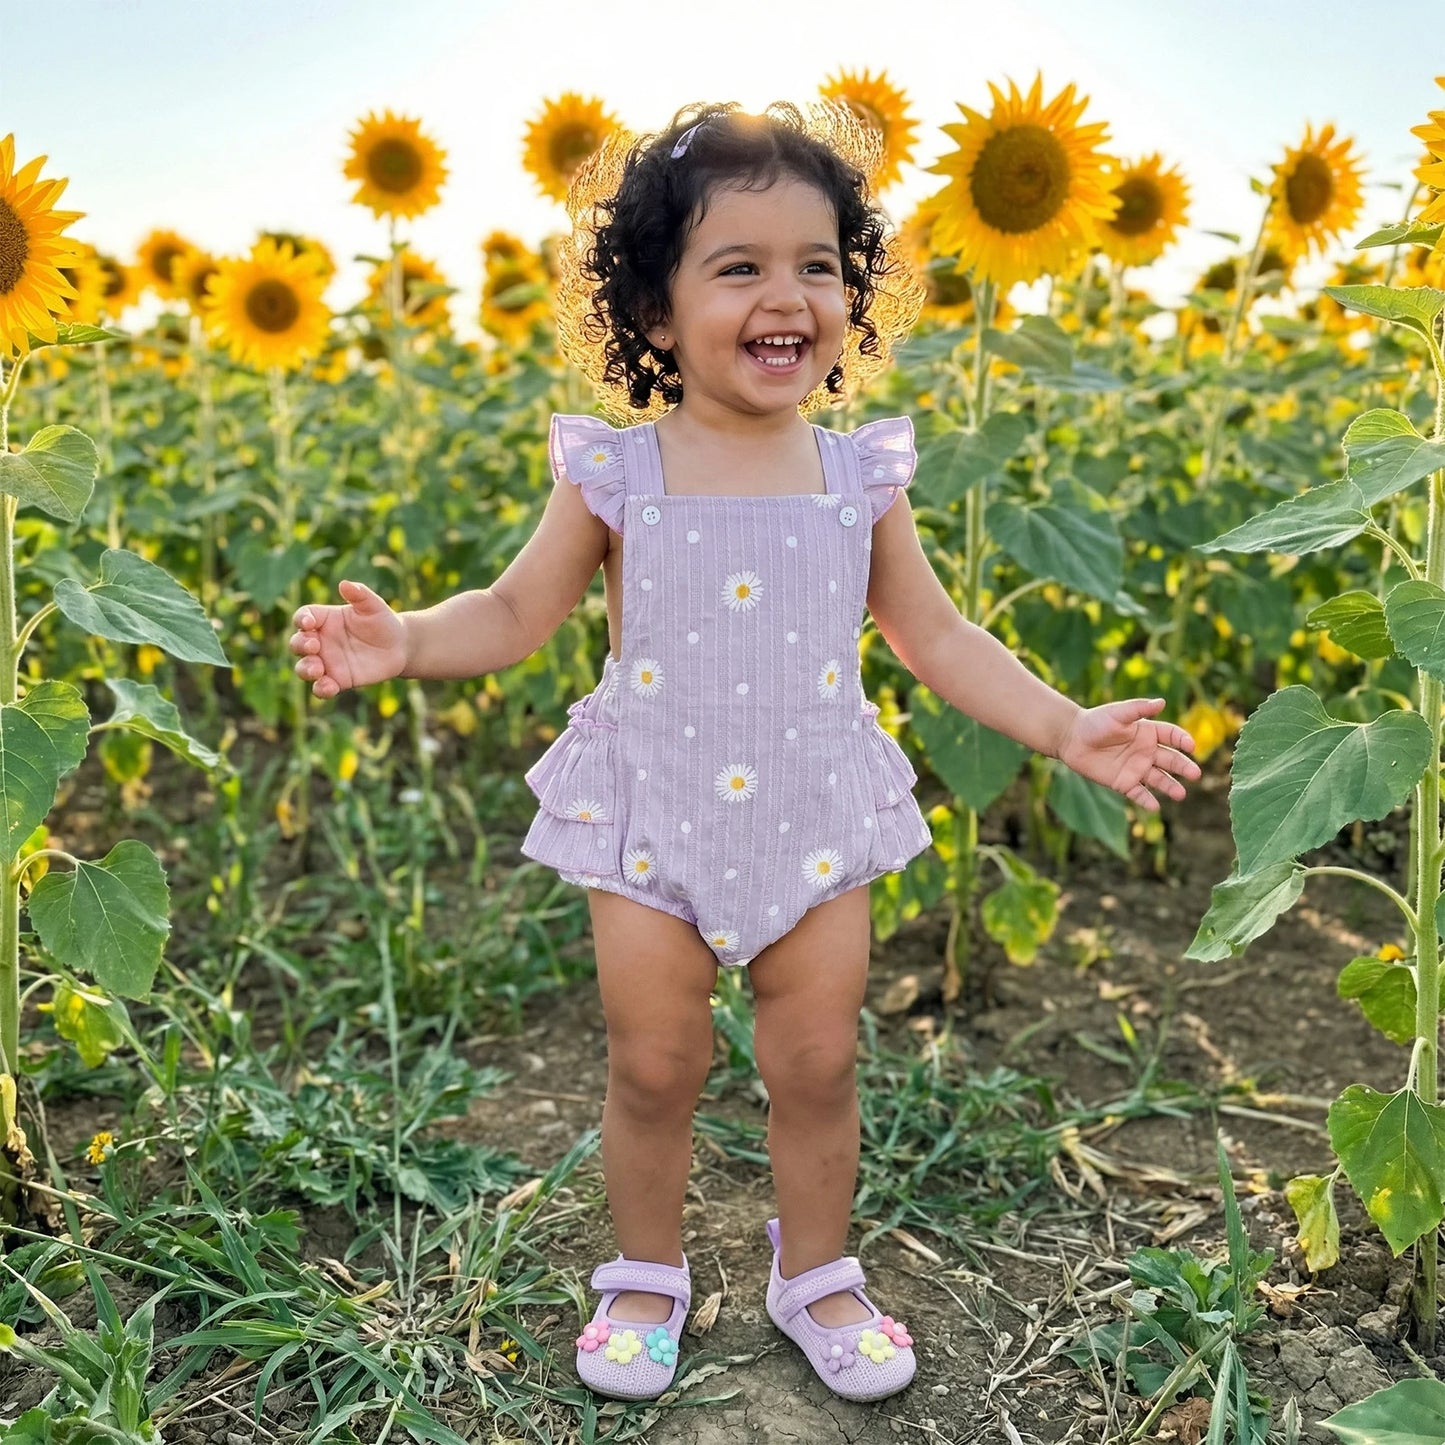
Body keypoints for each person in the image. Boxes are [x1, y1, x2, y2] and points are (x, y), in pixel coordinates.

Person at [288, 101, 1199, 1405]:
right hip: (653, 800)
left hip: (816, 801)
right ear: (652, 314)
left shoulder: (855, 475)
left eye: (818, 265)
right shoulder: (614, 470)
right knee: (654, 1060)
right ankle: (645, 1273)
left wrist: (1062, 725)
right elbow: (512, 611)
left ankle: (814, 1270)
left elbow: (934, 634)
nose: (789, 294)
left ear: (850, 299)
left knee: (817, 1058)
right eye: (739, 266)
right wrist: (407, 642)